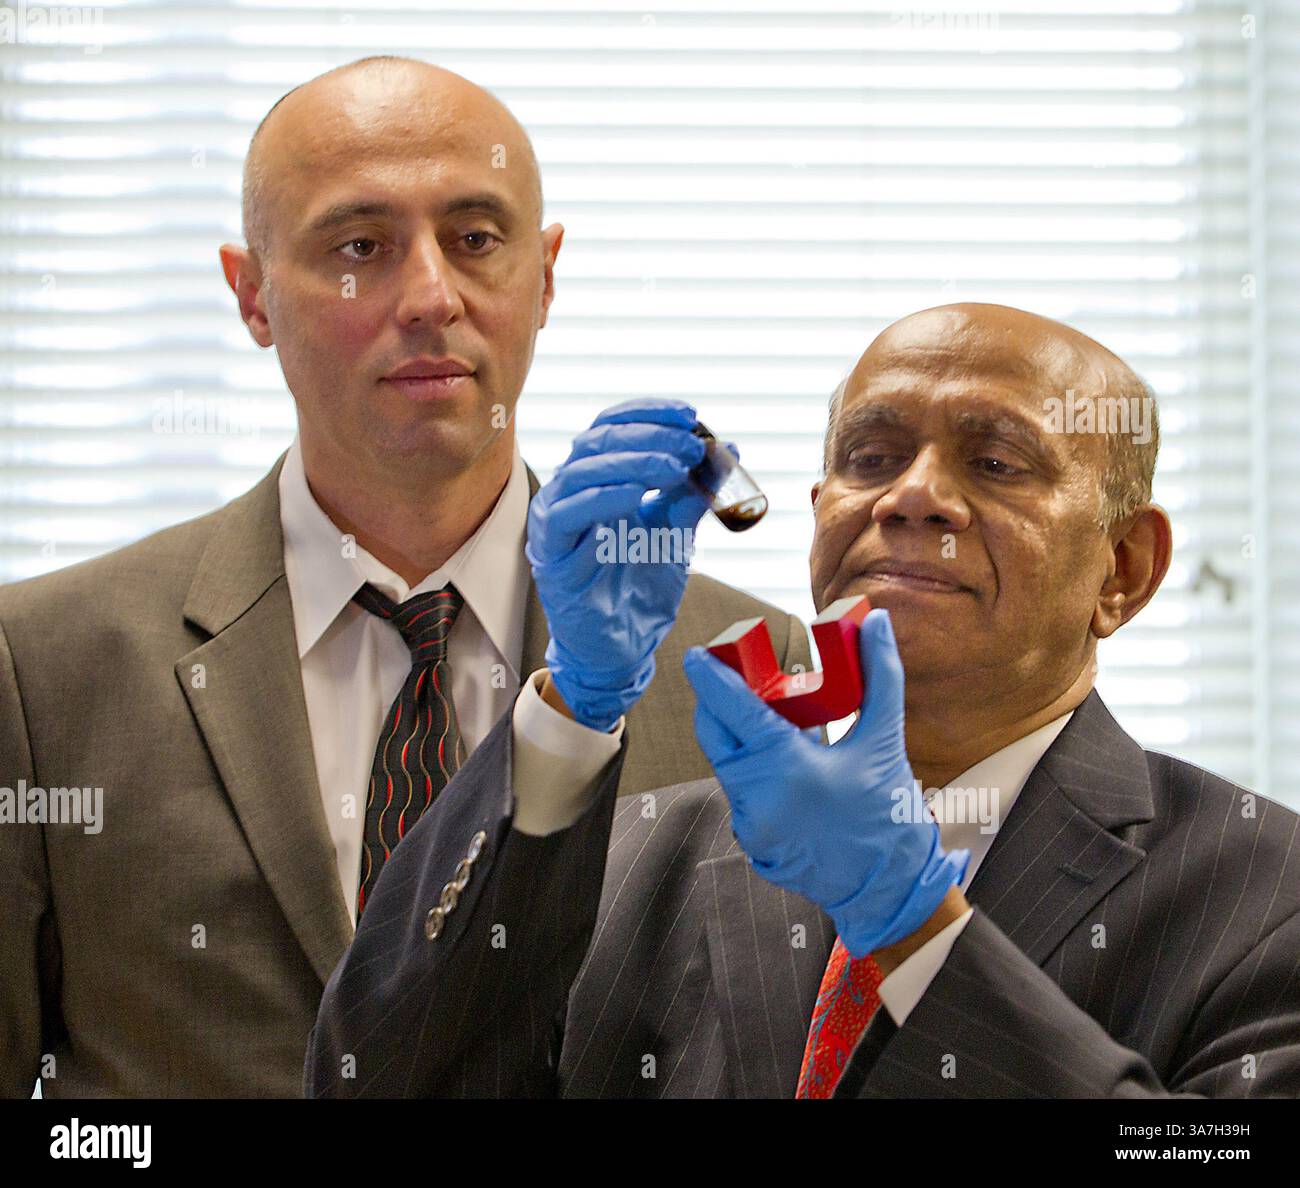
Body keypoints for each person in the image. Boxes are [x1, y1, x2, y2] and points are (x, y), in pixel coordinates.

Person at [0, 56, 808, 1098]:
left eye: (476, 240)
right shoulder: (41, 666)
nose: (431, 296)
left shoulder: (746, 666)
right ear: (249, 294)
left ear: (546, 276)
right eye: (359, 247)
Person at [306, 303, 1300, 1099]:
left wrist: (910, 928)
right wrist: (574, 700)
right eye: (869, 458)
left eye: (994, 462)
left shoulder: (1266, 892)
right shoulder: (636, 856)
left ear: (1122, 569)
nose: (912, 497)